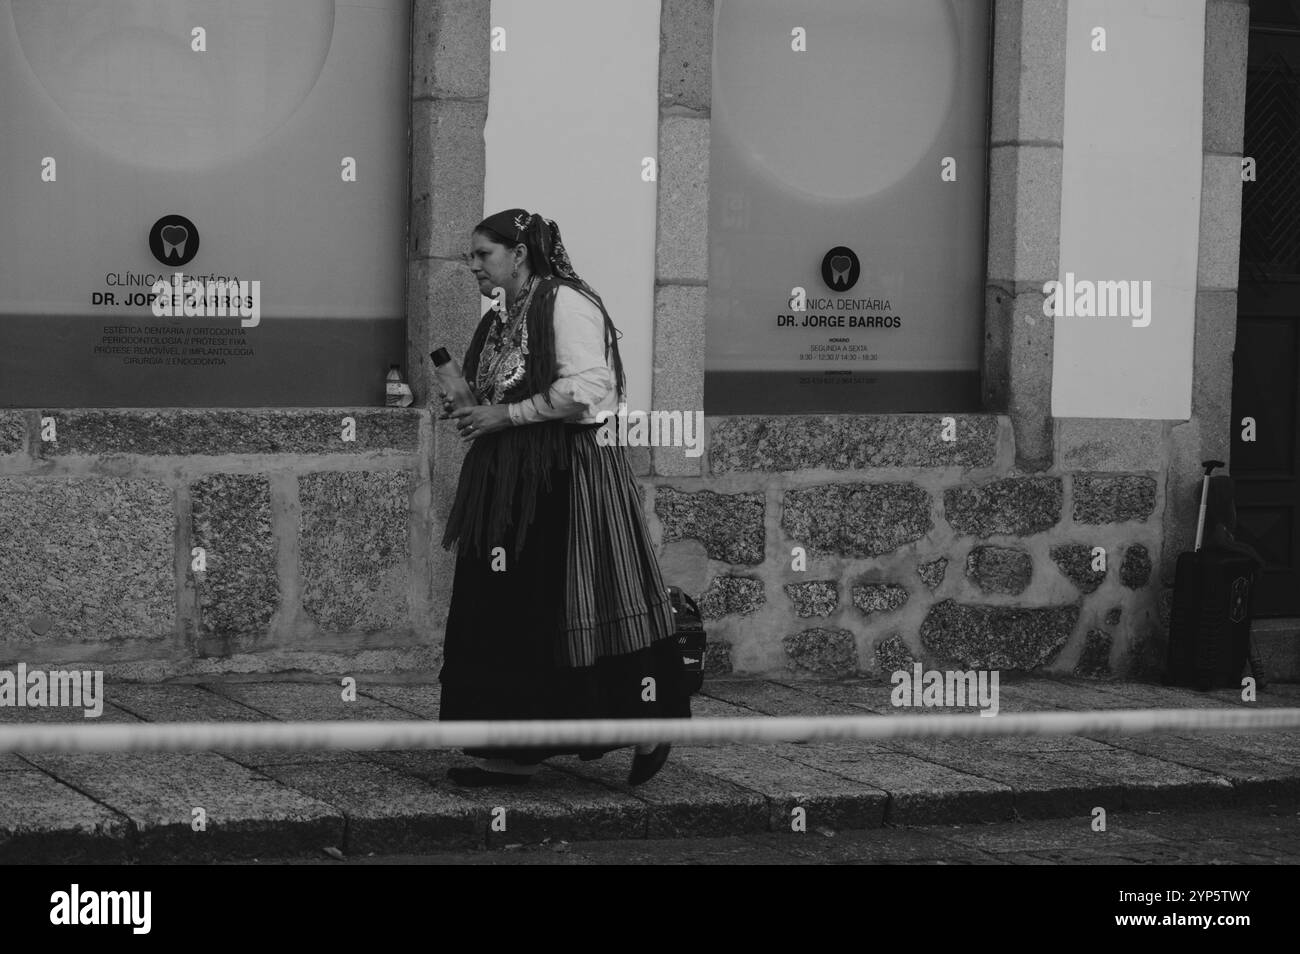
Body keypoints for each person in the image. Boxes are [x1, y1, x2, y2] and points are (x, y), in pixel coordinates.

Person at [436, 207, 690, 787]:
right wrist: (476, 407)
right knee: (505, 610)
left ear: (519, 253)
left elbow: (591, 386)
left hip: (566, 478)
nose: (473, 266)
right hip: (507, 486)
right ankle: (514, 746)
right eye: (472, 256)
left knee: (579, 603)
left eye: (483, 255)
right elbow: (505, 391)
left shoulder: (565, 302)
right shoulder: (506, 314)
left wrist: (510, 414)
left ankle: (647, 720)